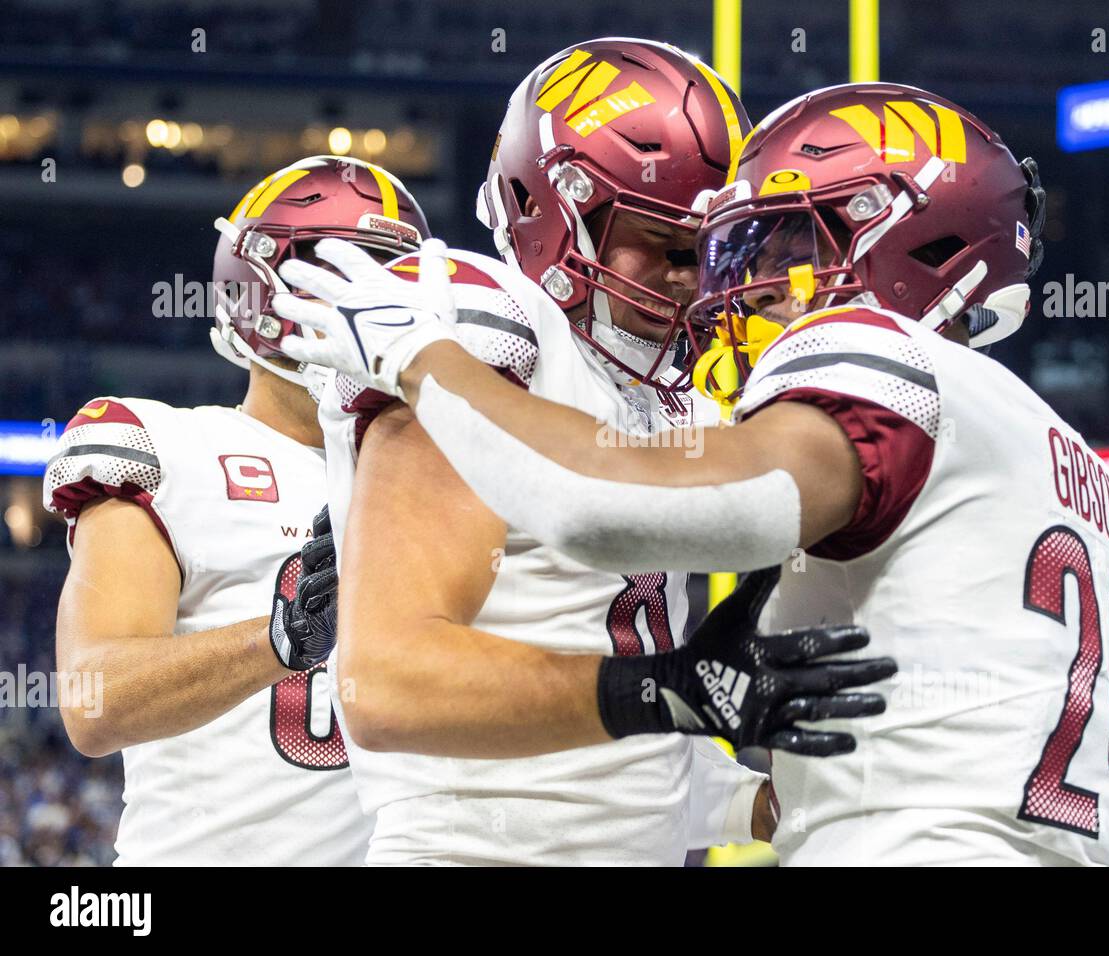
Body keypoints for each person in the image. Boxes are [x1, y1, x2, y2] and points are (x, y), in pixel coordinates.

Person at [278, 83, 1109, 866]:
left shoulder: (873, 357)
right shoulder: (1063, 452)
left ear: (909, 232)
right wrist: (750, 783)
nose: (740, 286)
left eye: (790, 240)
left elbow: (594, 502)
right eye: (737, 249)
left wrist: (422, 357)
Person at [274, 39, 895, 865]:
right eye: (665, 245)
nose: (690, 281)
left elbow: (616, 772)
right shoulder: (482, 329)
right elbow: (392, 684)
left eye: (708, 252)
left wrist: (777, 802)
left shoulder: (675, 396)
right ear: (551, 210)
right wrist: (666, 692)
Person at [42, 155, 429, 864]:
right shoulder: (170, 446)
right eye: (331, 277)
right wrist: (278, 642)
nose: (359, 309)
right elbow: (93, 704)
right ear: (257, 288)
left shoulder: (441, 480)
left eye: (386, 284)